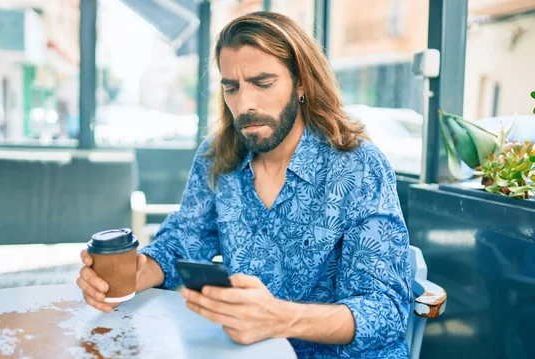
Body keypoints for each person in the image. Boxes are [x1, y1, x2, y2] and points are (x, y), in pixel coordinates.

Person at [77, 11, 412, 358]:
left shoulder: (358, 167)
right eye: (231, 87)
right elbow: (182, 241)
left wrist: (281, 319)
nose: (244, 104)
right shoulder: (217, 157)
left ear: (301, 83)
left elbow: (385, 311)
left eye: (262, 83)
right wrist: (134, 273)